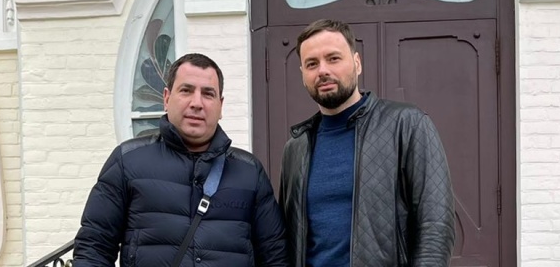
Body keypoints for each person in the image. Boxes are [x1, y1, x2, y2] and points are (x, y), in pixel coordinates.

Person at [73, 53, 288, 267]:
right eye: (186, 90)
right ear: (166, 98)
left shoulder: (249, 173)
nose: (197, 103)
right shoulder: (127, 162)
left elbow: (275, 257)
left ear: (220, 105)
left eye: (208, 94)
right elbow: (93, 250)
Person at [279, 19, 455, 267]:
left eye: (333, 58)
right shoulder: (296, 147)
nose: (322, 71)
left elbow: (435, 224)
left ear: (357, 63)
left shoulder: (407, 124)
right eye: (312, 64)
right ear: (303, 75)